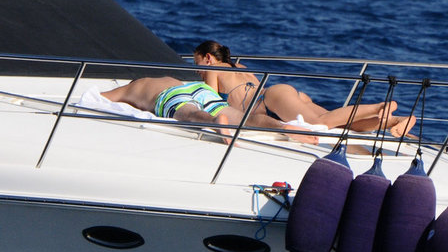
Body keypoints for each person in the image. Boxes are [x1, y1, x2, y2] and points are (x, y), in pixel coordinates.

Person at [193, 40, 416, 137]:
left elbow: (210, 100)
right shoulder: (239, 67)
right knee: (342, 124)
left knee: (320, 123)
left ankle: (380, 106)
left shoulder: (213, 69)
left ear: (208, 58)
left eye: (197, 64)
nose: (197, 70)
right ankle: (394, 121)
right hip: (279, 97)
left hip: (271, 100)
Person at [101, 76, 319, 144]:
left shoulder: (136, 86)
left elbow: (101, 98)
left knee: (188, 113)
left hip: (170, 96)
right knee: (243, 118)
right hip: (200, 89)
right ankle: (282, 126)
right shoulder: (171, 78)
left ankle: (214, 122)